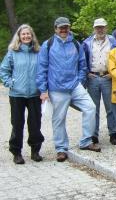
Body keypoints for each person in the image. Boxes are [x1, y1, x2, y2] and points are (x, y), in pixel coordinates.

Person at [36, 17, 99, 162]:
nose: (64, 30)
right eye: (61, 28)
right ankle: (61, 149)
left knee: (90, 108)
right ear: (55, 29)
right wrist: (43, 90)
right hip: (56, 88)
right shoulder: (48, 45)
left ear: (69, 28)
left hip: (75, 86)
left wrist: (80, 81)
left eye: (66, 27)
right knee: (59, 119)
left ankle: (85, 141)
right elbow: (42, 68)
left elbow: (82, 65)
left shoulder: (76, 44)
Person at [0, 24, 45, 164]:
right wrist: (10, 83)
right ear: (19, 36)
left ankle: (35, 151)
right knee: (17, 124)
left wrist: (44, 89)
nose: (26, 36)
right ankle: (16, 152)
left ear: (32, 36)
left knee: (35, 124)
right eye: (23, 34)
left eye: (28, 34)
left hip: (34, 94)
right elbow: (4, 70)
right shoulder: (13, 52)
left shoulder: (39, 52)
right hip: (17, 95)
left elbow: (44, 70)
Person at [83, 18, 116, 146]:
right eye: (97, 27)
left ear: (106, 28)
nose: (100, 29)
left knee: (111, 107)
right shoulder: (87, 42)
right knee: (94, 108)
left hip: (107, 77)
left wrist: (113, 73)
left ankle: (113, 133)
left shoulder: (113, 41)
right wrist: (87, 72)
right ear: (94, 28)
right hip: (93, 77)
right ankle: (94, 134)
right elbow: (83, 59)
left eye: (102, 27)